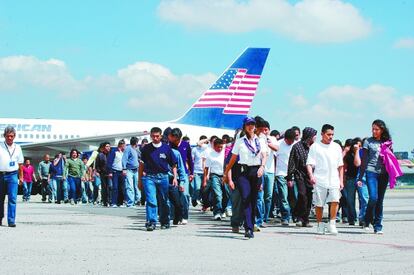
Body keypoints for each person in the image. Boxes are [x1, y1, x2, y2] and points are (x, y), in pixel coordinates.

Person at [224, 117, 268, 239]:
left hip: (257, 171)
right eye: (248, 124)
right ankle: (248, 228)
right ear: (245, 126)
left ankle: (251, 224)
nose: (251, 126)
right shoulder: (240, 141)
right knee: (245, 198)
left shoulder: (261, 141)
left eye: (253, 124)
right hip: (243, 172)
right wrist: (226, 173)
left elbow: (264, 155)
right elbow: (232, 159)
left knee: (253, 200)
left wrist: (262, 167)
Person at [357, 119, 399, 234]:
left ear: (382, 130)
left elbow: (391, 159)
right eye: (373, 129)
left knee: (380, 201)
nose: (374, 131)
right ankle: (367, 219)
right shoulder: (368, 142)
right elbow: (364, 160)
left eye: (376, 129)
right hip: (371, 172)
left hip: (384, 174)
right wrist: (360, 177)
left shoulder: (387, 142)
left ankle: (378, 226)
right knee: (373, 198)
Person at [307, 124, 344, 235]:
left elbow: (340, 165)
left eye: (332, 134)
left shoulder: (336, 146)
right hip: (320, 179)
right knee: (319, 203)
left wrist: (341, 180)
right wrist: (311, 176)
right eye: (328, 134)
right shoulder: (315, 146)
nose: (330, 136)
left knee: (335, 200)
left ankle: (332, 223)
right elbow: (309, 163)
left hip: (334, 179)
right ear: (322, 134)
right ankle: (319, 224)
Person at [139, 127, 177, 231]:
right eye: (153, 136)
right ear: (150, 136)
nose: (155, 138)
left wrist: (175, 178)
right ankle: (151, 222)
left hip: (163, 177)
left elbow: (173, 164)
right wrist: (140, 180)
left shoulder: (166, 148)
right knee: (151, 200)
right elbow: (141, 165)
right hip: (149, 177)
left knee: (164, 200)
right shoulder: (146, 148)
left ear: (161, 136)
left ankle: (164, 221)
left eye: (157, 136)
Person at [286, 127, 317, 227]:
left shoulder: (315, 147)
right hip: (300, 175)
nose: (315, 138)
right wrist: (290, 177)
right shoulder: (297, 147)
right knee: (302, 195)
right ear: (309, 136)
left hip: (311, 176)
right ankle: (299, 217)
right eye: (313, 136)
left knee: (309, 197)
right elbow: (292, 163)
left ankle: (305, 219)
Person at [168, 128, 194, 224]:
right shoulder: (169, 146)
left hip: (184, 173)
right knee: (174, 197)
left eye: (177, 139)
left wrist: (191, 173)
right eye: (173, 139)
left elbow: (190, 159)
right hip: (172, 175)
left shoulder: (185, 145)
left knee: (185, 195)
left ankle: (184, 215)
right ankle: (175, 215)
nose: (175, 141)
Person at [0, 126, 24, 227]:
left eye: (11, 136)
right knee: (0, 198)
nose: (9, 138)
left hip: (13, 175)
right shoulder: (0, 146)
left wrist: (21, 177)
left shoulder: (18, 148)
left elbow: (20, 164)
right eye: (8, 136)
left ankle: (11, 220)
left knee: (13, 198)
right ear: (4, 136)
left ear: (14, 136)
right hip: (1, 174)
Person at [275, 128, 296, 226]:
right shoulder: (278, 144)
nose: (290, 142)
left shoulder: (296, 145)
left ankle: (295, 214)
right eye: (288, 141)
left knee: (294, 196)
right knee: (283, 196)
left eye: (292, 141)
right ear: (285, 139)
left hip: (293, 174)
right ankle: (285, 217)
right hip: (281, 174)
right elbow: (274, 158)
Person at [203, 138, 226, 220]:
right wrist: (205, 179)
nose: (220, 149)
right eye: (218, 147)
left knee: (226, 195)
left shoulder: (225, 153)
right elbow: (206, 168)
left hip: (224, 175)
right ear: (214, 146)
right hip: (214, 176)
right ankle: (217, 212)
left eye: (221, 147)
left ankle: (223, 210)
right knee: (217, 194)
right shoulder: (210, 155)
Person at [122, 137, 140, 207]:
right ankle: (130, 203)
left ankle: (137, 200)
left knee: (136, 186)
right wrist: (124, 168)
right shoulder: (128, 148)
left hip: (136, 170)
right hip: (129, 170)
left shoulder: (136, 149)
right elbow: (124, 158)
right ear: (136, 142)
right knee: (130, 186)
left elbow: (138, 157)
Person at [108, 140, 125, 207]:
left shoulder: (123, 153)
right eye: (124, 145)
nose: (125, 146)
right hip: (115, 171)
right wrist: (110, 172)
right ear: (121, 145)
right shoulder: (114, 152)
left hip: (122, 171)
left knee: (121, 187)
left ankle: (120, 202)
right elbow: (110, 162)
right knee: (115, 187)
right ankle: (113, 202)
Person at [95, 142, 111, 206]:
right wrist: (99, 172)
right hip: (103, 174)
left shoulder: (112, 154)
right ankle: (105, 201)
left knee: (110, 187)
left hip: (111, 173)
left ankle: (110, 200)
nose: (108, 147)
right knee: (104, 188)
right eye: (107, 146)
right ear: (104, 147)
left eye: (109, 146)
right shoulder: (100, 155)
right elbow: (97, 165)